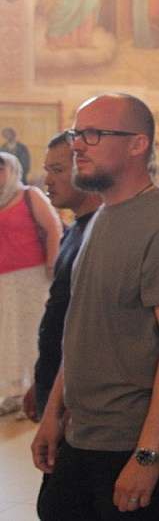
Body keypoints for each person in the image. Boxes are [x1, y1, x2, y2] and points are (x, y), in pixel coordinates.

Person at [31, 93, 159, 519]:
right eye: (76, 133)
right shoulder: (102, 217)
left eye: (93, 134)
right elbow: (80, 330)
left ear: (137, 144)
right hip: (82, 433)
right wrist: (53, 414)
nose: (77, 145)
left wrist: (147, 455)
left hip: (132, 441)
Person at [22, 132, 103, 423]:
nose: (47, 180)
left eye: (57, 170)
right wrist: (41, 379)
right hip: (58, 383)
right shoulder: (74, 231)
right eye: (47, 170)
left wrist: (69, 395)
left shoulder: (100, 234)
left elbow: (94, 331)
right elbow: (60, 315)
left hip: (77, 396)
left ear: (85, 168)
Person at [0, 150, 62, 414]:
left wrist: (52, 263)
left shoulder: (29, 195)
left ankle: (38, 390)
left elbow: (53, 228)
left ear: (12, 170)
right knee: (8, 335)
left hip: (31, 275)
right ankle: (14, 392)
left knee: (32, 331)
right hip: (3, 279)